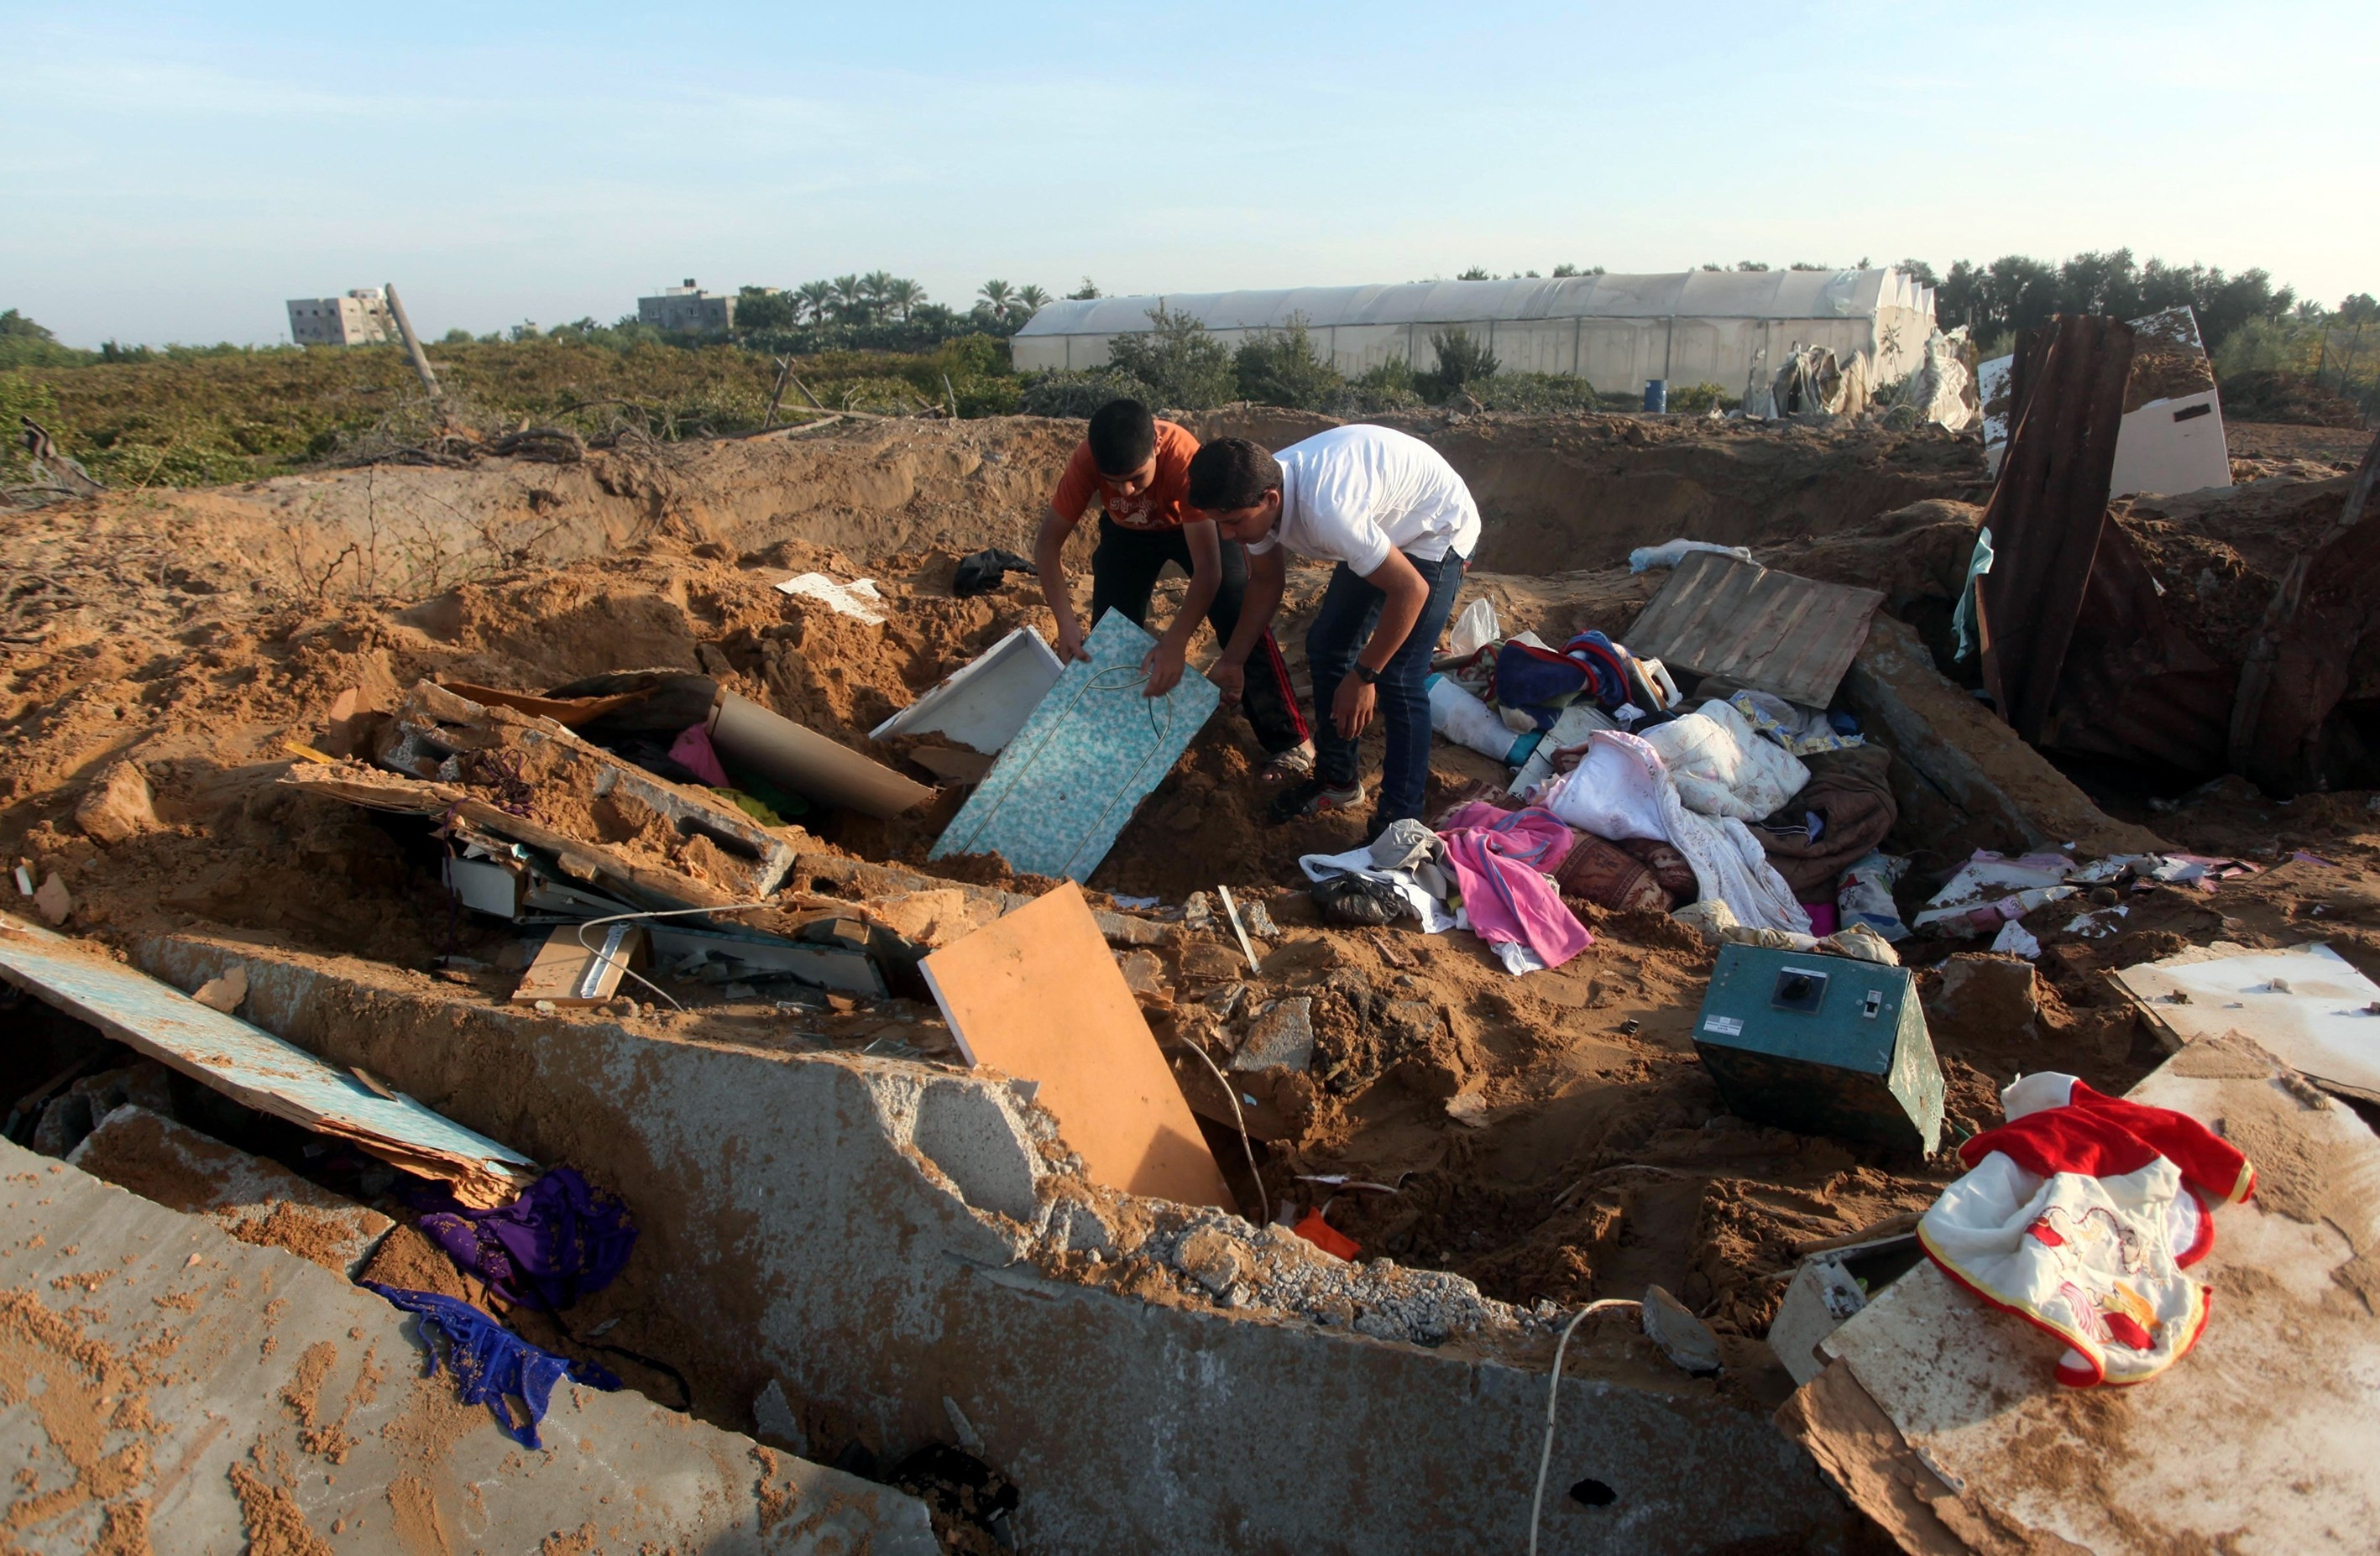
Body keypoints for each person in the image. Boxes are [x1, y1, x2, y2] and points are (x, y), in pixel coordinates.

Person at [1185, 426, 1479, 836]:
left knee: (1399, 676)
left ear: (1271, 499)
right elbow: (1266, 582)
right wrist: (1233, 661)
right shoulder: (1254, 495)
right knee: (1327, 646)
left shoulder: (1329, 514)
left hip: (1436, 525)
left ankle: (1398, 824)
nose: (1227, 535)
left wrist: (1365, 676)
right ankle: (1338, 780)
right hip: (1380, 521)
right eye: (1220, 524)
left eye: (1233, 523)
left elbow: (1411, 590)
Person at [1034, 399, 1313, 776]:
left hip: (1193, 527)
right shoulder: (1088, 460)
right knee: (1110, 630)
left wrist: (1175, 643)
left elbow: (1209, 570)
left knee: (1237, 608)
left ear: (1156, 447)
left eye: (1136, 477)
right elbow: (1047, 544)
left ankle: (1289, 740)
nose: (1126, 490)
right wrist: (1066, 622)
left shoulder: (1183, 459)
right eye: (1112, 482)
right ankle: (1115, 737)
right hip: (1128, 531)